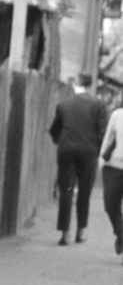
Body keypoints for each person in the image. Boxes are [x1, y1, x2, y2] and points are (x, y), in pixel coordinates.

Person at [50, 75, 110, 245]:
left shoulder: (63, 105)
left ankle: (65, 233)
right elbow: (102, 132)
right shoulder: (98, 105)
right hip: (88, 153)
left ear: (76, 84)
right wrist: (97, 152)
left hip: (67, 152)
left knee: (67, 191)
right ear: (90, 85)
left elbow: (55, 130)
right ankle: (81, 231)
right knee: (84, 192)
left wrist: (60, 141)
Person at [100, 92, 123, 259]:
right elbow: (108, 138)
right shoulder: (117, 114)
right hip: (113, 166)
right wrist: (101, 160)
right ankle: (120, 233)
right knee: (110, 205)